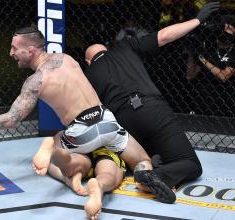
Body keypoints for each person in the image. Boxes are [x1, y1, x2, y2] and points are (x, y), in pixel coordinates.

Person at [0, 26, 175, 203]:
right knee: (143, 160)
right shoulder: (68, 58)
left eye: (15, 48)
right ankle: (145, 177)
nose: (11, 52)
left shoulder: (36, 81)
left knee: (57, 140)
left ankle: (67, 172)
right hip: (107, 122)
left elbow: (12, 119)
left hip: (81, 132)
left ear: (31, 50)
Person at [83, 2, 219, 195]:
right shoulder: (125, 47)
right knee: (190, 164)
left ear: (88, 61)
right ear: (106, 49)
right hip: (150, 109)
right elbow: (164, 36)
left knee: (144, 149)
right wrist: (197, 19)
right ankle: (155, 175)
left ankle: (147, 164)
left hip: (122, 124)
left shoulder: (88, 74)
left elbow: (90, 110)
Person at [38, 137, 129, 220]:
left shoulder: (77, 125)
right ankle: (99, 185)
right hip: (106, 150)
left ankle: (55, 152)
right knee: (108, 174)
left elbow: (60, 136)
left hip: (82, 147)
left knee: (69, 163)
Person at [186, 15, 235, 81]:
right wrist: (192, 55)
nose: (225, 31)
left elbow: (224, 76)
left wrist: (203, 59)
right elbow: (190, 75)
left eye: (229, 28)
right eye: (223, 28)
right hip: (204, 86)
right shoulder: (209, 43)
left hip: (226, 89)